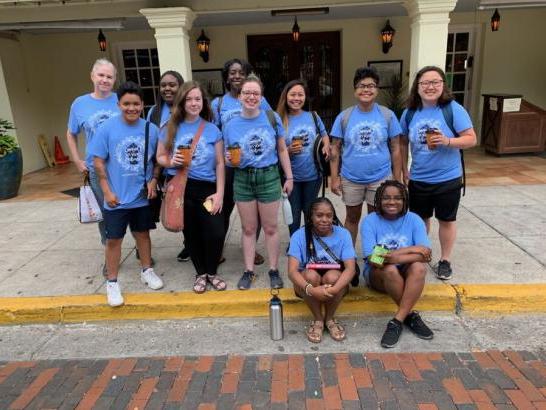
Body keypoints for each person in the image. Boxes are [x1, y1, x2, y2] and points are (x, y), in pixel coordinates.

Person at [400, 66, 477, 280]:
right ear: (417, 86)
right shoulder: (410, 112)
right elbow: (402, 140)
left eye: (435, 82)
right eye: (425, 83)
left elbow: (471, 138)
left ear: (443, 85)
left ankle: (445, 260)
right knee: (420, 220)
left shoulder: (453, 109)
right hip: (418, 177)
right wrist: (403, 167)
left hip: (448, 178)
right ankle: (419, 253)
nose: (430, 87)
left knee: (446, 220)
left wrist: (447, 141)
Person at [90, 81, 163, 307]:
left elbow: (158, 160)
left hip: (141, 196)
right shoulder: (107, 129)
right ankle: (112, 282)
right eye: (126, 104)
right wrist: (106, 191)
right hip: (116, 197)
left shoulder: (152, 129)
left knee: (143, 234)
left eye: (136, 104)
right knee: (114, 240)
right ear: (118, 104)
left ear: (142, 105)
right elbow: (98, 161)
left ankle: (146, 270)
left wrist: (154, 180)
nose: (131, 108)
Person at [222, 75, 293, 290]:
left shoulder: (272, 118)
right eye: (247, 93)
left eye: (256, 93)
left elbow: (282, 149)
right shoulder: (230, 123)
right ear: (240, 96)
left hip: (269, 175)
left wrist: (289, 176)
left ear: (261, 96)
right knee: (248, 228)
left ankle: (273, 269)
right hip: (243, 177)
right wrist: (228, 158)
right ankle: (249, 270)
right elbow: (229, 151)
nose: (251, 97)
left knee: (271, 227)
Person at [156, 81, 226, 294]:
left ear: (203, 102)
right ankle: (201, 273)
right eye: (189, 99)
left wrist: (220, 193)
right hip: (182, 188)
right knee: (192, 234)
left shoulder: (212, 129)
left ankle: (212, 271)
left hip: (207, 188)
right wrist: (171, 162)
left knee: (215, 231)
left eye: (197, 99)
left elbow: (221, 163)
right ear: (181, 102)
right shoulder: (170, 128)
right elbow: (160, 157)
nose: (194, 103)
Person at [330, 67, 403, 245]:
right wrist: (334, 178)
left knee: (377, 219)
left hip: (380, 178)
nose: (366, 89)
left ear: (377, 90)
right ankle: (348, 259)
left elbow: (396, 148)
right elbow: (335, 149)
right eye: (362, 85)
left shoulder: (387, 115)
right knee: (352, 218)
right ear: (355, 90)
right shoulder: (344, 117)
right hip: (351, 178)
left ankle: (376, 260)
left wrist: (396, 179)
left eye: (371, 85)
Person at [211, 58, 272, 266]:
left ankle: (251, 249)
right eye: (232, 72)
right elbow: (214, 134)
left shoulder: (259, 100)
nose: (236, 76)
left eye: (241, 72)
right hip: (229, 167)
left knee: (255, 213)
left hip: (254, 166)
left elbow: (270, 125)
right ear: (226, 77)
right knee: (222, 210)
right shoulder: (218, 103)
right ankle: (216, 249)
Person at [360, 180, 433, 348]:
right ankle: (411, 317)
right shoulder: (370, 221)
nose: (392, 202)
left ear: (404, 200)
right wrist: (412, 249)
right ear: (378, 200)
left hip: (406, 272)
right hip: (378, 275)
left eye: (397, 198)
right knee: (390, 269)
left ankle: (397, 321)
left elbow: (426, 256)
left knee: (419, 268)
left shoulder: (414, 219)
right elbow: (373, 259)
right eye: (386, 198)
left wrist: (390, 255)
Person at [66, 59, 119, 251]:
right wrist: (77, 160)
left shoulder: (120, 100)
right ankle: (110, 252)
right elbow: (71, 133)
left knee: (129, 207)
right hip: (96, 168)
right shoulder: (79, 104)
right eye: (101, 75)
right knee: (104, 211)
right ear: (92, 76)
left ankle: (140, 248)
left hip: (121, 165)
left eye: (109, 76)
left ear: (114, 80)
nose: (104, 80)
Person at [287, 197, 356, 343]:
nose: (324, 219)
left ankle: (329, 318)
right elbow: (292, 271)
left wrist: (334, 289)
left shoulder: (343, 234)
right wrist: (311, 290)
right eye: (319, 215)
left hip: (335, 279)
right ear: (311, 217)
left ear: (333, 216)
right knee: (310, 276)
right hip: (307, 282)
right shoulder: (299, 236)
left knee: (332, 278)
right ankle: (318, 319)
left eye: (329, 216)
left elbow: (350, 269)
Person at [146, 70, 190, 262]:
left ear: (181, 87)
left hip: (186, 168)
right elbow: (151, 143)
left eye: (172, 84)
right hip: (162, 168)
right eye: (163, 85)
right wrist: (154, 175)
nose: (167, 88)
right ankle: (143, 248)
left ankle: (189, 245)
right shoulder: (154, 112)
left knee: (187, 209)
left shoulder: (188, 108)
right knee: (168, 207)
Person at [276, 79, 330, 236]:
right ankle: (295, 242)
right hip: (290, 176)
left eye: (300, 94)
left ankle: (308, 240)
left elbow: (324, 133)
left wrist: (326, 145)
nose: (296, 98)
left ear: (305, 97)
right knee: (293, 211)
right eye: (293, 94)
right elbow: (275, 149)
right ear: (286, 96)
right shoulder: (279, 119)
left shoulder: (312, 116)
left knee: (309, 210)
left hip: (313, 175)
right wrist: (288, 150)